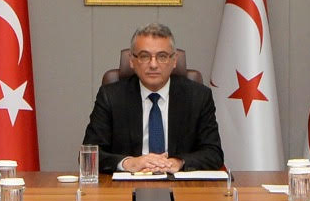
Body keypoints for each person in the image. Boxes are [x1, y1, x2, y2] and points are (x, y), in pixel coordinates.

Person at [83, 25, 224, 173]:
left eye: (162, 56)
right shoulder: (111, 96)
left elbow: (213, 153)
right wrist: (128, 163)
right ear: (131, 60)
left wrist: (179, 162)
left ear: (174, 60)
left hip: (179, 182)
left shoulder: (198, 96)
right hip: (129, 182)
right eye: (144, 56)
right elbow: (89, 154)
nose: (153, 64)